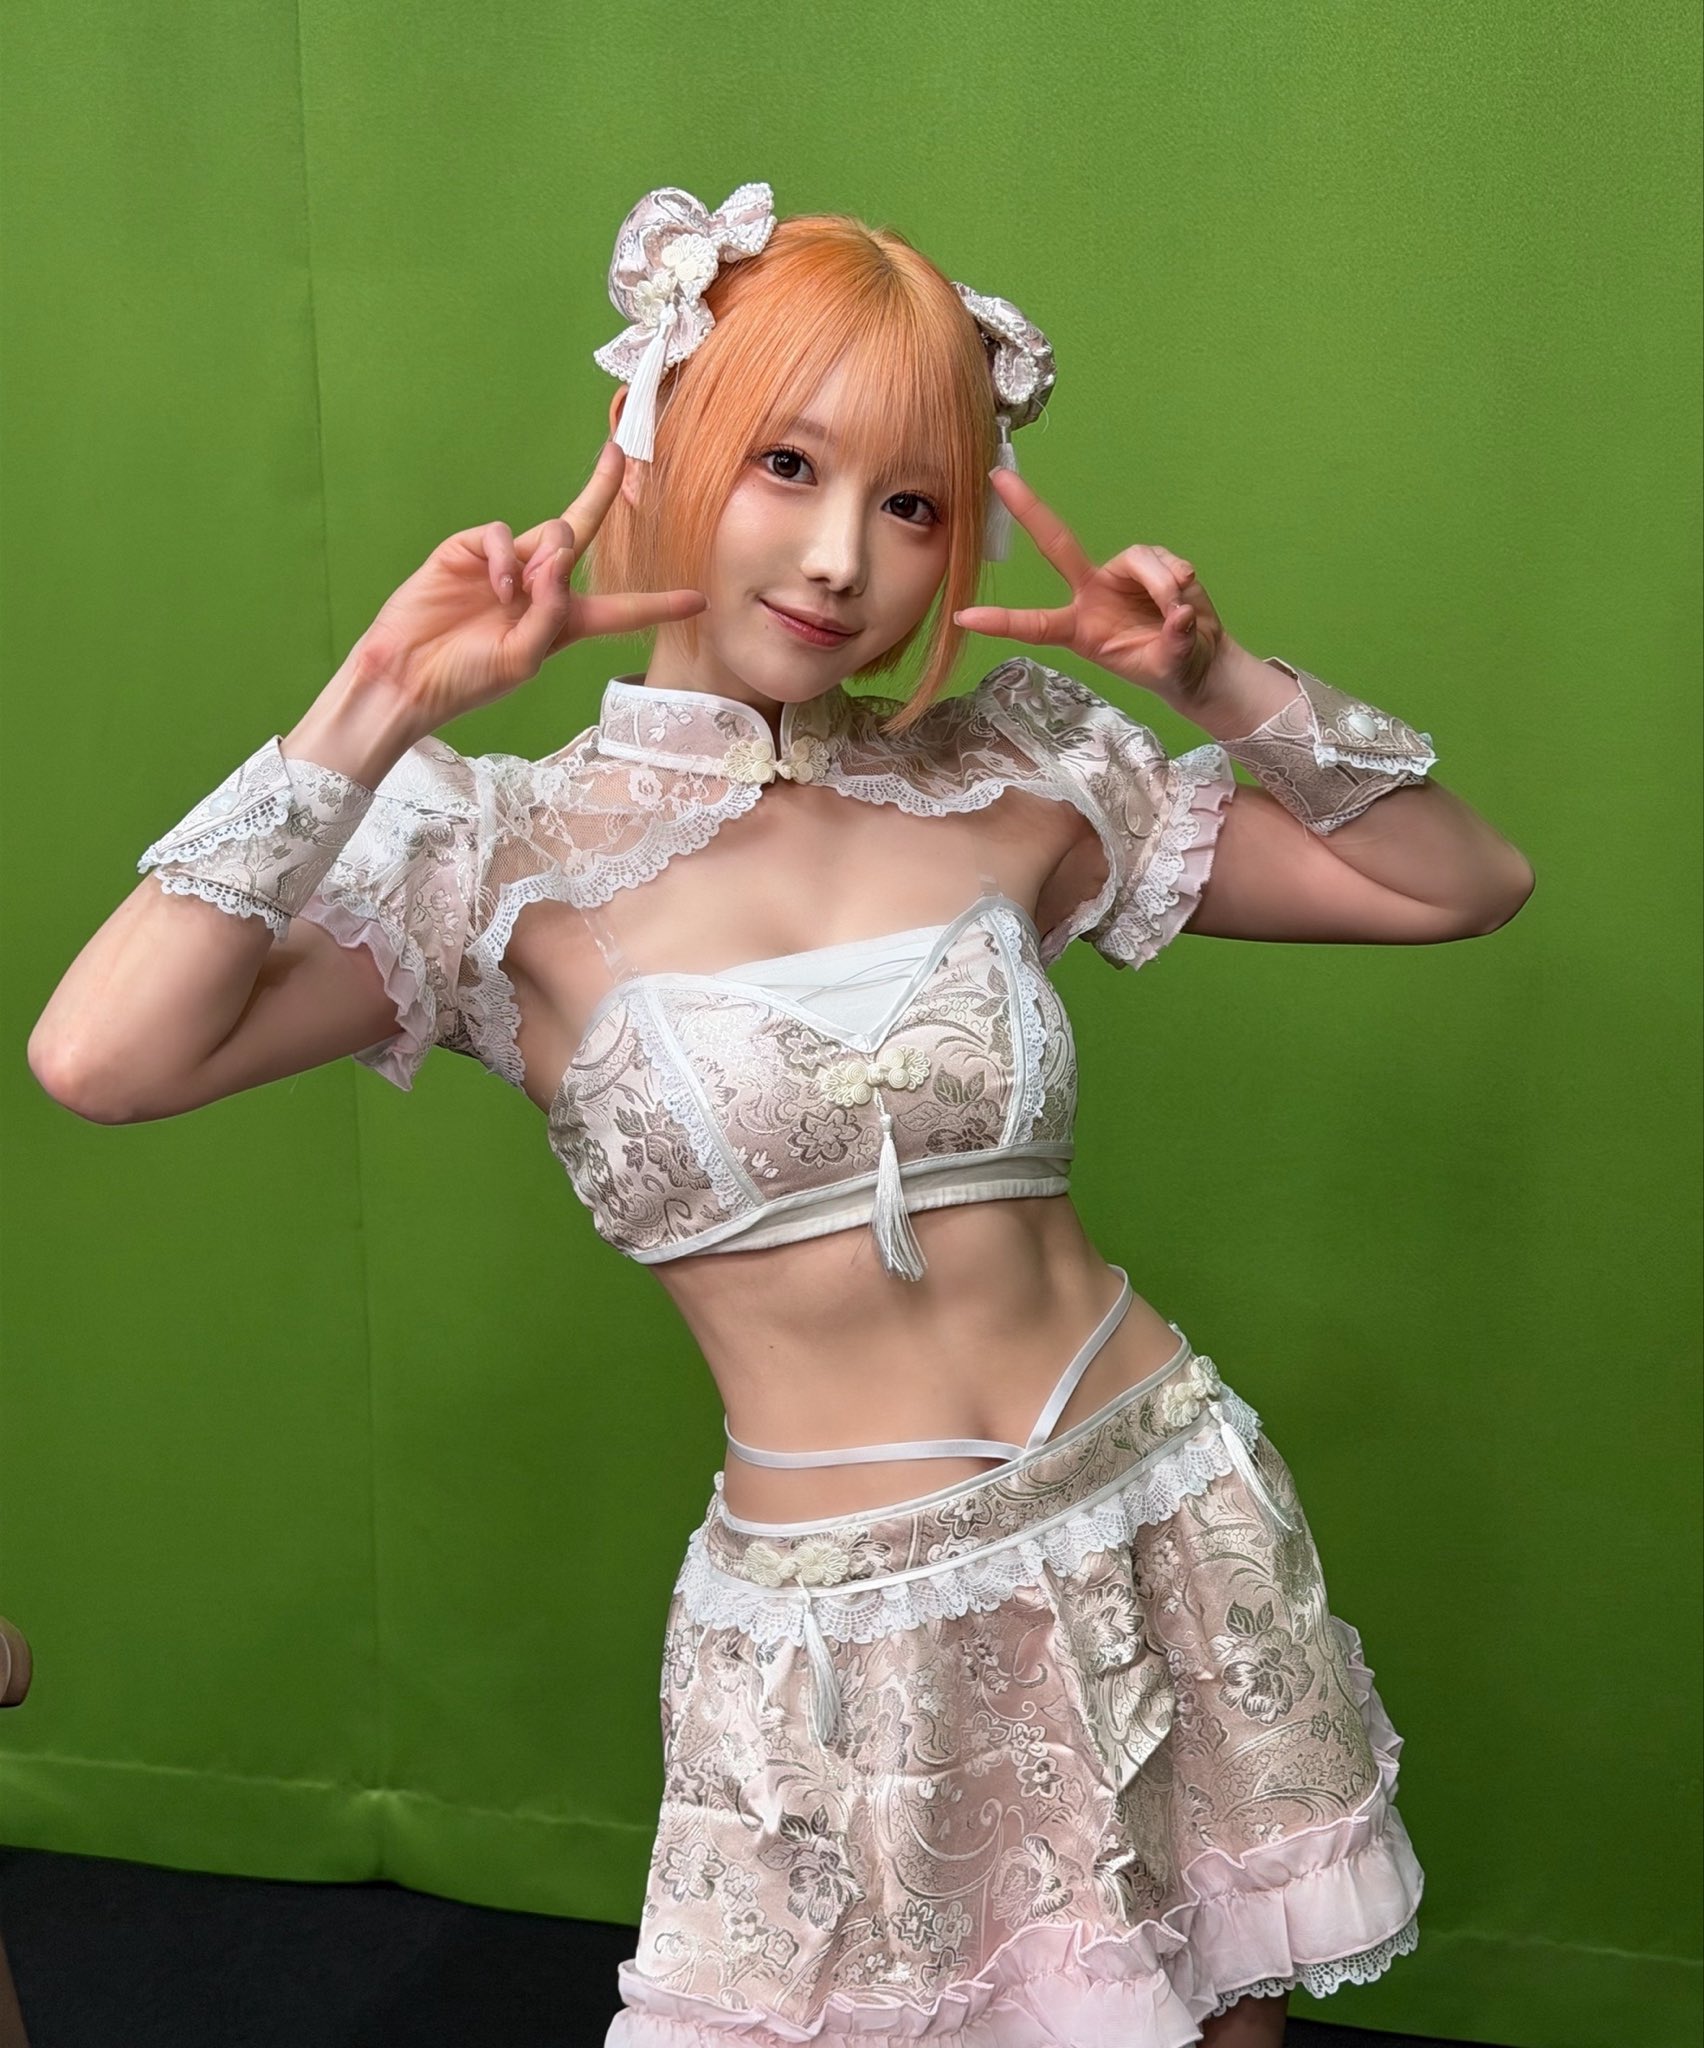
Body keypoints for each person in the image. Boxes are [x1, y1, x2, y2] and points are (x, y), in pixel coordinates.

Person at [29, 180, 1534, 2045]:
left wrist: (1214, 681)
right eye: (787, 466)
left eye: (913, 506)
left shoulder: (1012, 775)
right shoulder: (498, 860)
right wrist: (373, 708)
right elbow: (103, 1060)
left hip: (1155, 1500)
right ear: (654, 437)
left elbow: (1460, 884)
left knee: (1225, 2015)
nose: (840, 562)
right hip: (846, 1635)